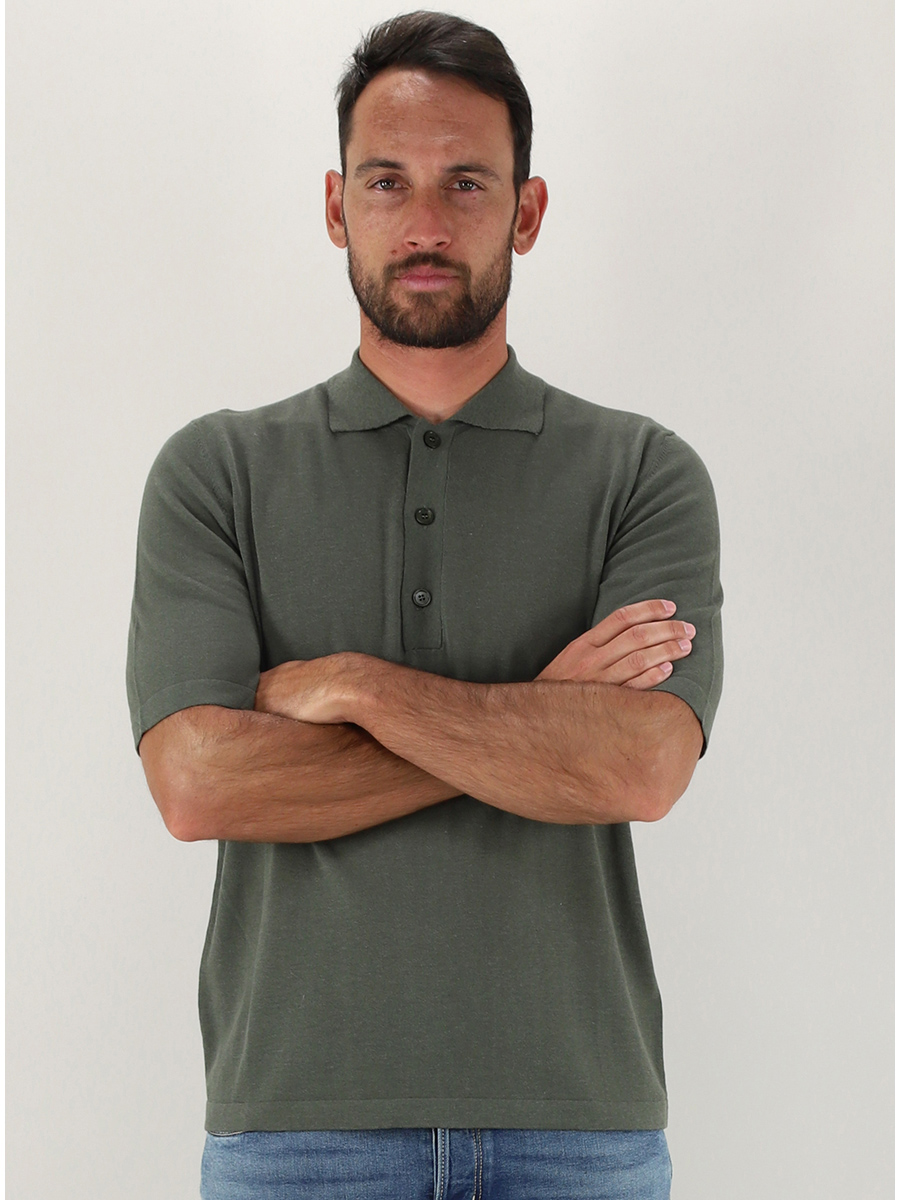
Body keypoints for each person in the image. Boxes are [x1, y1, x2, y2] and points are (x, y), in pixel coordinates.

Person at [127, 10, 723, 1199]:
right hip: (296, 1132)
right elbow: (198, 786)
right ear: (336, 206)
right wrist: (543, 717)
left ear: (528, 211)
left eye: (467, 182)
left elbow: (643, 768)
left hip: (579, 1129)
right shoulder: (217, 473)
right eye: (388, 181)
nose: (428, 224)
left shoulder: (642, 472)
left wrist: (352, 688)